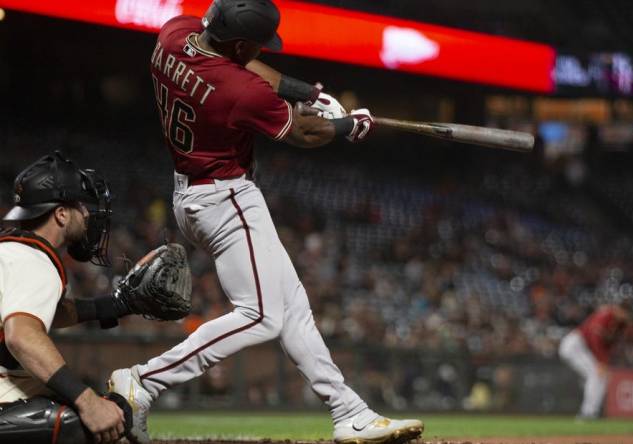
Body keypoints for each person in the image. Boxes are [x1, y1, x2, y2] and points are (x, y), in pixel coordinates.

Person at [107, 1, 423, 443]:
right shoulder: (238, 91)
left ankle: (349, 411)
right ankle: (145, 379)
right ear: (238, 42)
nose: (260, 50)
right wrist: (350, 126)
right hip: (225, 196)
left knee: (291, 304)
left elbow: (245, 65)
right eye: (254, 44)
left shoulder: (174, 34)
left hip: (193, 189)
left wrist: (306, 94)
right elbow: (304, 133)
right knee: (261, 316)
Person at [0, 153, 128, 444]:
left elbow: (41, 313)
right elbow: (20, 335)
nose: (87, 214)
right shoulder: (33, 258)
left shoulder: (12, 250)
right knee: (80, 422)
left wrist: (116, 305)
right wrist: (87, 401)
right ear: (61, 214)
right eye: (81, 206)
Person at [558, 301, 631, 419]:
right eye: (622, 310)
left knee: (602, 377)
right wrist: (602, 362)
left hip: (584, 348)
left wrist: (604, 363)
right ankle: (587, 413)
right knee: (595, 374)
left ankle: (592, 412)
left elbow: (609, 346)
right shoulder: (606, 314)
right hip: (575, 344)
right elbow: (594, 338)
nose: (623, 314)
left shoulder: (620, 324)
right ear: (617, 308)